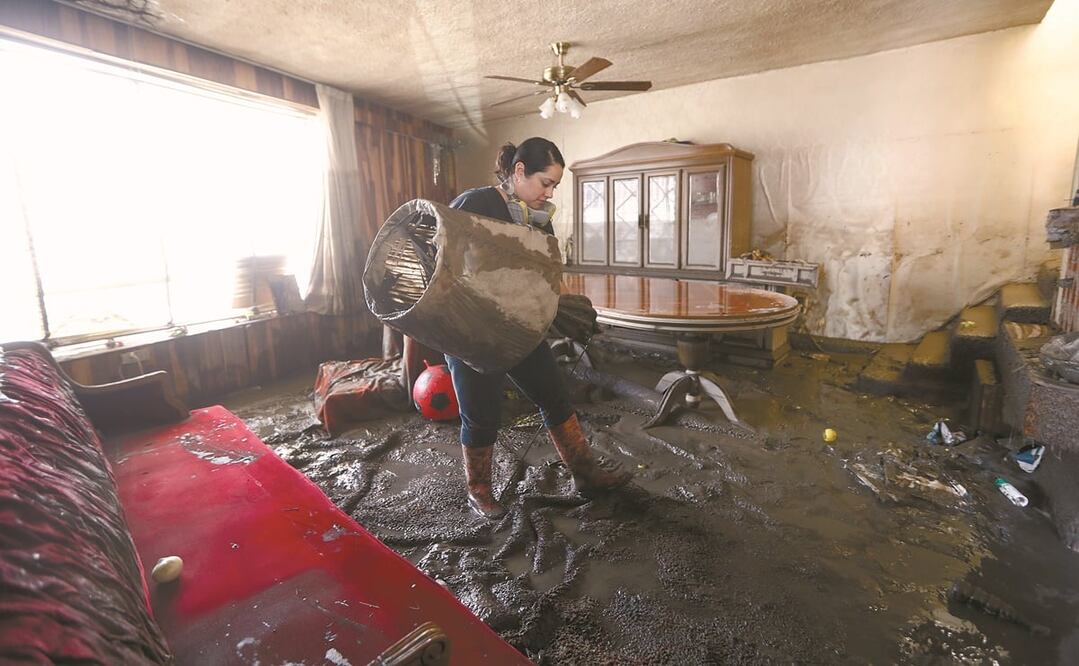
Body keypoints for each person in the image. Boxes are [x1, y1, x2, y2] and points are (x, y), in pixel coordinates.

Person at [446, 137, 631, 519]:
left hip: (518, 325)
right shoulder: (474, 204)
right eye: (544, 183)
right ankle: (478, 490)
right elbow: (442, 263)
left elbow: (545, 272)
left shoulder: (538, 219)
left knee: (554, 395)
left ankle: (585, 475)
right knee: (480, 413)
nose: (549, 192)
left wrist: (565, 308)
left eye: (554, 187)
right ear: (518, 172)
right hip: (471, 331)